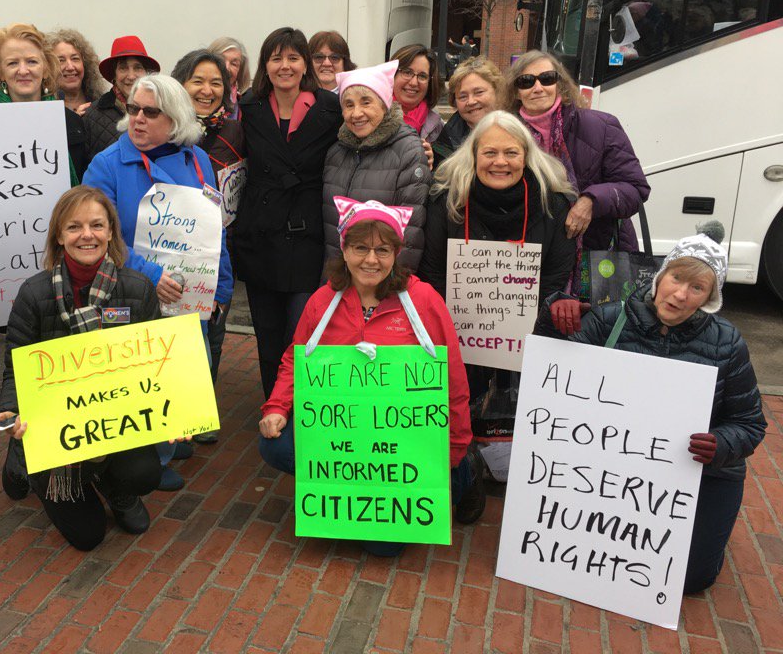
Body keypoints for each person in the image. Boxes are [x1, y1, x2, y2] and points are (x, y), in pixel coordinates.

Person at [258, 199, 478, 553]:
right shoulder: (322, 301)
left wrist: (453, 448)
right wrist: (277, 407)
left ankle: (467, 471)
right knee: (275, 444)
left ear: (396, 254)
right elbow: (295, 361)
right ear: (344, 250)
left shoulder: (423, 300)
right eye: (361, 248)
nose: (371, 260)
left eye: (382, 250)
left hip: (405, 443)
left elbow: (452, 378)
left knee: (383, 548)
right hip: (344, 439)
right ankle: (345, 491)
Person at [558, 230, 765, 593]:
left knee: (691, 579)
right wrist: (554, 315)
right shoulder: (609, 319)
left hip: (702, 472)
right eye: (676, 278)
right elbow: (557, 381)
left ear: (710, 298)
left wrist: (720, 444)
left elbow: (749, 423)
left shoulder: (728, 342)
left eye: (697, 288)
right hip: (616, 463)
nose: (681, 294)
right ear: (660, 276)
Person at [419, 111, 577, 518]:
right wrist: (453, 330)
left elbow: (555, 275)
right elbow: (433, 271)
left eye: (511, 152)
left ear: (527, 155)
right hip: (459, 330)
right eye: (489, 152)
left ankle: (516, 470)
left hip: (525, 333)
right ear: (473, 155)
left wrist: (520, 327)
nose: (500, 162)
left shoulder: (554, 203)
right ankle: (463, 470)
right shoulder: (447, 199)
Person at [82, 74, 233, 488]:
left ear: (176, 118)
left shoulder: (197, 159)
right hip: (131, 295)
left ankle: (168, 441)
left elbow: (214, 232)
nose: (138, 119)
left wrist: (221, 287)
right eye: (133, 109)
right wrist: (151, 275)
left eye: (151, 112)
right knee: (141, 379)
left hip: (189, 296)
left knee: (183, 372)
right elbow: (99, 237)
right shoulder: (107, 165)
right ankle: (151, 461)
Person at [0, 186, 166, 549]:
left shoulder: (138, 289)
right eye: (74, 227)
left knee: (145, 473)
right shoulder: (34, 293)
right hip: (54, 426)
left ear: (110, 232)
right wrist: (11, 412)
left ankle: (116, 488)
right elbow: (16, 365)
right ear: (59, 235)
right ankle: (22, 459)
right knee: (88, 536)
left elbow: (157, 366)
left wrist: (175, 413)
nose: (87, 235)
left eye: (96, 225)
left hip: (114, 418)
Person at [233, 27, 342, 400]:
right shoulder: (249, 107)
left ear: (305, 64)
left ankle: (301, 412)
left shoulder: (330, 108)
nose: (285, 66)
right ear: (265, 64)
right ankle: (273, 408)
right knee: (267, 338)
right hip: (260, 238)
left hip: (306, 238)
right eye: (276, 58)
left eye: (293, 57)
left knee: (301, 335)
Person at [505, 50, 650, 299]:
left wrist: (591, 201)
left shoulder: (602, 126)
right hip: (526, 258)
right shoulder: (504, 132)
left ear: (560, 84)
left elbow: (635, 189)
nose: (538, 87)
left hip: (594, 258)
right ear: (516, 91)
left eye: (547, 78)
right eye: (526, 81)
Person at [171, 49, 247, 442]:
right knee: (178, 341)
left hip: (219, 251)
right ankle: (175, 421)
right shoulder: (166, 133)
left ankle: (200, 413)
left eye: (216, 82)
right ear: (180, 84)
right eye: (197, 81)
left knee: (213, 333)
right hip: (172, 252)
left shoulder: (236, 131)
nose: (207, 90)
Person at [322, 60, 429, 271]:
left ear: (384, 104)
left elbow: (411, 233)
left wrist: (393, 284)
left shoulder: (408, 151)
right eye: (349, 105)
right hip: (339, 278)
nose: (356, 113)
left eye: (366, 103)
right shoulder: (336, 152)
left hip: (381, 278)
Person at [0, 22, 90, 183]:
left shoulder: (71, 122)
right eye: (13, 63)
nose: (23, 70)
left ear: (45, 69)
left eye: (32, 61)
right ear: (0, 73)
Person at [83, 36, 161, 158]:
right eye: (123, 68)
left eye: (137, 68)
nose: (131, 76)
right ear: (114, 75)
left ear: (146, 72)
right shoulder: (92, 115)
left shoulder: (162, 110)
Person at [440, 58, 503, 163]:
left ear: (497, 91)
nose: (471, 101)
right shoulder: (447, 137)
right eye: (463, 96)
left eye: (479, 92)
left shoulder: (519, 130)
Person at [391, 44, 444, 166]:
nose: (414, 82)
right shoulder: (372, 117)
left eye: (422, 76)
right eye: (407, 72)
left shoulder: (438, 128)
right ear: (392, 74)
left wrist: (431, 165)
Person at [46, 28, 105, 115]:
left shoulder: (102, 103)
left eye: (75, 59)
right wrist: (74, 119)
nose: (70, 67)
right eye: (61, 60)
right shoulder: (43, 108)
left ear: (85, 64)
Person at [208, 36, 251, 120]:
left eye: (234, 64)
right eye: (221, 60)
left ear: (240, 72)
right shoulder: (192, 98)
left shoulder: (245, 106)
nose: (226, 67)